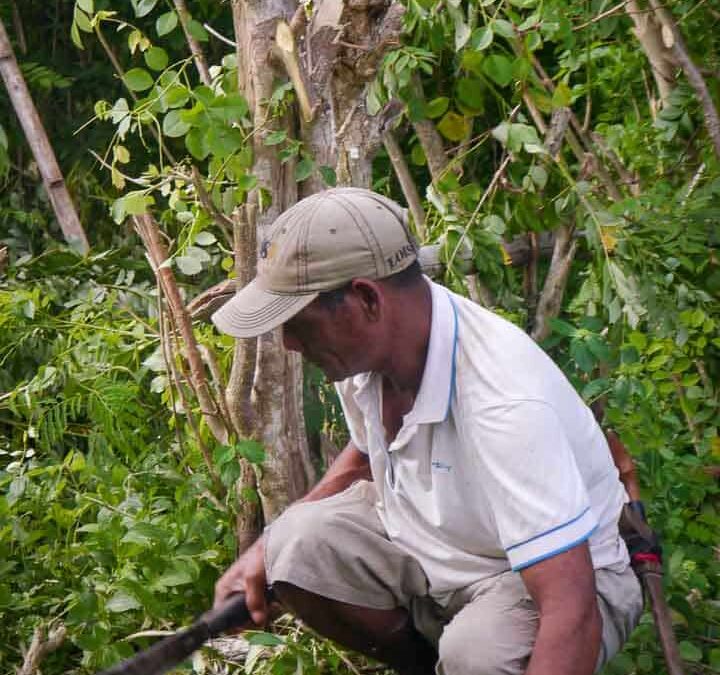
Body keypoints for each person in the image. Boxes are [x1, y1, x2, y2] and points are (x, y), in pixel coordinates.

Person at [211, 187, 643, 675]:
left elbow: (571, 608)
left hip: (552, 578)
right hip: (438, 545)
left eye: (297, 322)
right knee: (293, 543)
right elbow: (371, 448)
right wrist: (266, 549)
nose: (289, 342)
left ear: (365, 299)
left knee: (478, 655)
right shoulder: (370, 355)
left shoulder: (503, 401)